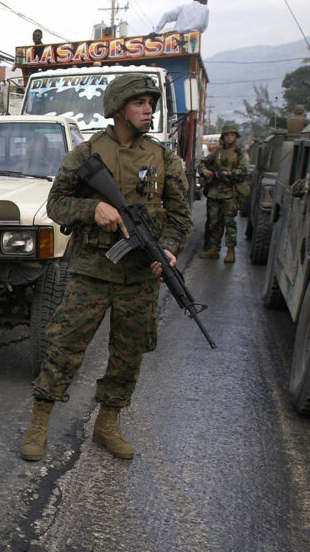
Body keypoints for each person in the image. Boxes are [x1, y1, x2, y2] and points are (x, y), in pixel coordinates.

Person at [19, 74, 192, 462]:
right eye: (140, 102)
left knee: (128, 354)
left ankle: (108, 422)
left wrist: (168, 249)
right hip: (92, 271)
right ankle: (40, 420)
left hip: (140, 277)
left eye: (152, 102)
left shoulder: (163, 159)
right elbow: (56, 204)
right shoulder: (85, 155)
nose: (149, 109)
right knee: (64, 346)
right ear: (117, 109)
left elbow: (181, 218)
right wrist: (91, 209)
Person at [197, 122, 248, 263]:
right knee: (214, 222)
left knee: (229, 223)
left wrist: (227, 174)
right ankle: (213, 248)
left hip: (230, 193)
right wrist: (204, 171)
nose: (229, 138)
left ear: (235, 137)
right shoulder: (217, 152)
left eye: (232, 135)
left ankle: (230, 251)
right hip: (215, 193)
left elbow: (244, 171)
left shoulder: (240, 153)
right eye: (227, 135)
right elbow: (202, 163)